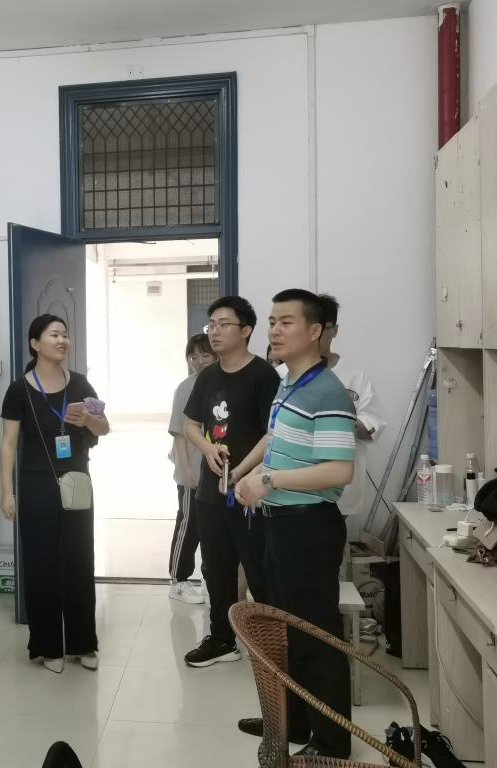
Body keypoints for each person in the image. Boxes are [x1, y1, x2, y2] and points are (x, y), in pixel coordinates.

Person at [232, 288, 357, 759]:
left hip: (308, 527)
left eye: (286, 322)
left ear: (315, 331)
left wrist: (269, 480)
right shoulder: (289, 382)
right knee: (284, 629)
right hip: (279, 523)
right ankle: (294, 722)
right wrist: (244, 471)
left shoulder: (329, 392)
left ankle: (331, 744)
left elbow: (338, 470)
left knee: (315, 636)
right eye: (272, 321)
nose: (275, 330)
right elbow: (275, 435)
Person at [0, 315, 110, 674]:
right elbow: (8, 444)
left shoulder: (79, 384)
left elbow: (104, 428)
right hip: (36, 483)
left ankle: (83, 643)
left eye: (65, 334)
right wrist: (7, 492)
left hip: (76, 479)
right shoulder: (19, 390)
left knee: (79, 560)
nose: (62, 340)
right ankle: (48, 646)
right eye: (54, 335)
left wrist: (89, 421)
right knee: (41, 565)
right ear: (35, 344)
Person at [181, 296, 279, 667]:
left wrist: (242, 472)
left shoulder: (263, 376)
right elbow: (191, 425)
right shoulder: (207, 376)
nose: (215, 331)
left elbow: (273, 433)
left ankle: (273, 644)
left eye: (224, 324)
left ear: (246, 330)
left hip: (251, 492)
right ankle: (222, 639)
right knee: (217, 570)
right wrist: (207, 449)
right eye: (212, 324)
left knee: (260, 570)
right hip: (212, 492)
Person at [317, 294, 386, 537]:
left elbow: (373, 426)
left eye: (323, 329)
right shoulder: (282, 374)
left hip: (342, 485)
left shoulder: (355, 376)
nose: (317, 335)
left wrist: (341, 420)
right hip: (295, 488)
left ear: (335, 330)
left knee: (332, 546)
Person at [167, 333, 216, 604]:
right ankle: (179, 580)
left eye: (204, 355)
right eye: (193, 356)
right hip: (193, 470)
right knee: (190, 523)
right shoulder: (186, 387)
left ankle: (210, 579)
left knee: (212, 528)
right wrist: (186, 471)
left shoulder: (221, 383)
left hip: (216, 470)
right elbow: (178, 432)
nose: (198, 361)